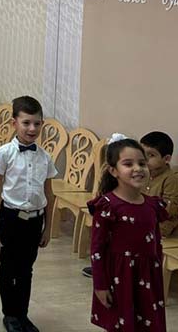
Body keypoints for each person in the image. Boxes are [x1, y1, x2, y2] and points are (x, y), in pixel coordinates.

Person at [0, 96, 57, 332]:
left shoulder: (45, 157)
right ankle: (10, 315)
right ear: (14, 123)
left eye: (37, 123)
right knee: (8, 268)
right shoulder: (4, 153)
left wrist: (48, 228)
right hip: (10, 218)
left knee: (26, 269)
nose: (32, 129)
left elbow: (49, 195)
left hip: (34, 221)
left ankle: (22, 314)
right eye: (26, 123)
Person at [87, 135, 168, 331]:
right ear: (113, 171)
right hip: (120, 278)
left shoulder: (152, 205)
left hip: (148, 277)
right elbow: (97, 250)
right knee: (123, 325)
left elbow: (156, 243)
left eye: (142, 163)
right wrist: (100, 285)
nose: (138, 168)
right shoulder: (107, 206)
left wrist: (156, 277)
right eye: (128, 164)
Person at [141, 131, 178, 237]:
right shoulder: (142, 174)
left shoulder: (171, 179)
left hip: (162, 226)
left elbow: (169, 210)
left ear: (166, 159)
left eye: (151, 155)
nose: (144, 159)